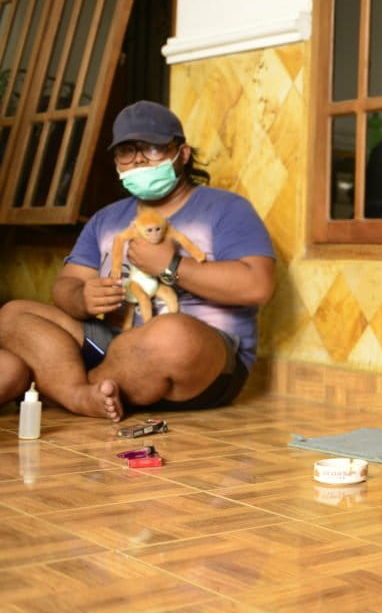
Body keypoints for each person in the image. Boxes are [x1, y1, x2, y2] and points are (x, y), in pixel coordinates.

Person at [0, 101, 275, 422]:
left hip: (202, 359)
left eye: (153, 149)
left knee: (170, 335)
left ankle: (55, 386)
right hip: (113, 343)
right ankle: (78, 395)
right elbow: (66, 286)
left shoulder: (226, 208)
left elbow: (258, 285)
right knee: (13, 313)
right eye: (127, 152)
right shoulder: (106, 219)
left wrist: (171, 265)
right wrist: (81, 297)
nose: (139, 160)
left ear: (182, 154)